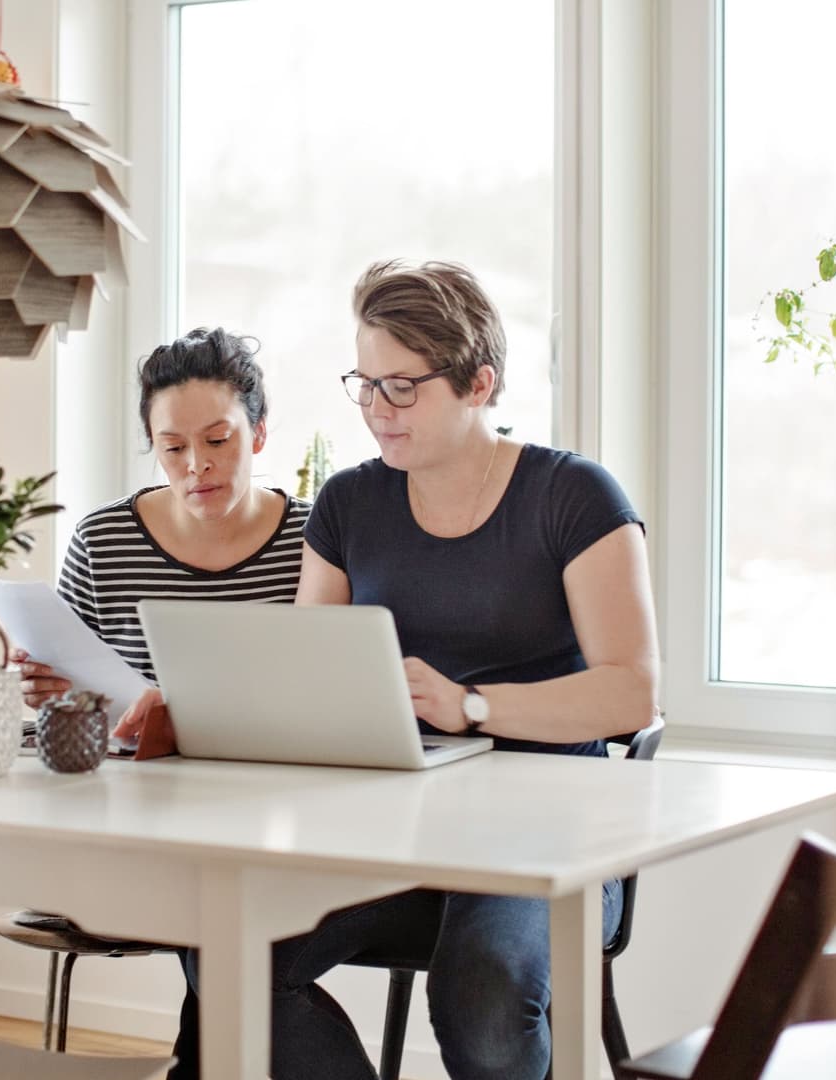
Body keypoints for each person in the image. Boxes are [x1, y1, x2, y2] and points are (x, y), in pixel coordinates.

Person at [274, 260, 662, 1080]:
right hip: (390, 827)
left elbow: (630, 690)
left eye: (403, 388)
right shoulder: (348, 505)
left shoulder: (574, 496)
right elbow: (308, 676)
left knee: (481, 993)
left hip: (548, 830)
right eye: (365, 384)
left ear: (478, 382)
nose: (378, 410)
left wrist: (473, 708)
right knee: (230, 953)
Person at [12, 325, 309, 1080]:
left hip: (280, 827)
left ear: (260, 433)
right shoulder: (105, 539)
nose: (197, 466)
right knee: (225, 942)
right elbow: (67, 707)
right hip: (133, 828)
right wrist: (52, 695)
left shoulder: (314, 538)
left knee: (233, 938)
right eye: (173, 447)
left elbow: (326, 700)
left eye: (219, 440)